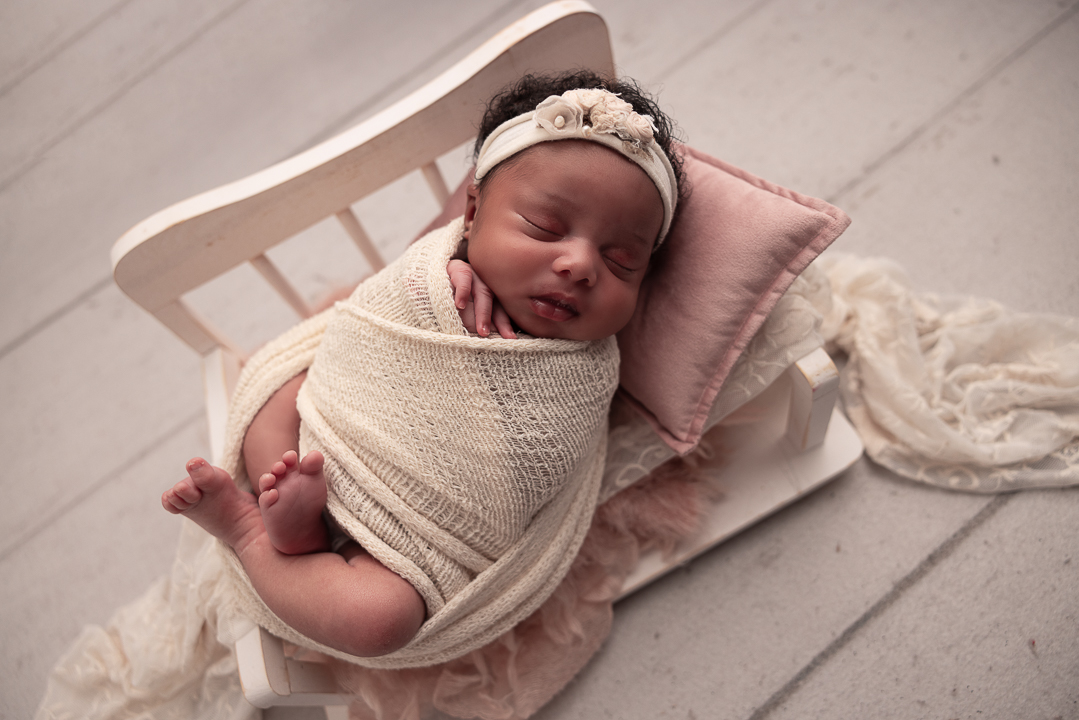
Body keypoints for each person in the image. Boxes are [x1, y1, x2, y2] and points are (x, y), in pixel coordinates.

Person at [161, 71, 686, 661]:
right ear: (472, 214)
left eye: (622, 263)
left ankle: (254, 534)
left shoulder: (586, 371)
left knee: (381, 619)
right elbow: (369, 324)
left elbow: (538, 461)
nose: (580, 264)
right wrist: (437, 277)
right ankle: (297, 527)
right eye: (544, 228)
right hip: (323, 437)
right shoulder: (433, 273)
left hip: (405, 545)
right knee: (276, 392)